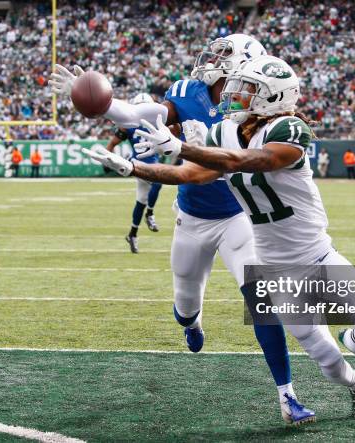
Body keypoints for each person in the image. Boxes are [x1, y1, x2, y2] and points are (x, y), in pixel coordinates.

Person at [84, 55, 355, 420]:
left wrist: (181, 146)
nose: (235, 94)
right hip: (276, 269)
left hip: (318, 255)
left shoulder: (289, 130)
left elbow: (249, 162)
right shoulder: (224, 132)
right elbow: (192, 176)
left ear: (272, 97)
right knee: (324, 360)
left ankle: (354, 342)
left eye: (248, 89)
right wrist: (134, 167)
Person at [50, 36, 315, 424]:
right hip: (191, 216)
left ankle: (287, 395)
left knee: (261, 301)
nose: (214, 60)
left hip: (237, 217)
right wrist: (105, 105)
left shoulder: (259, 110)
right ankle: (192, 323)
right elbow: (140, 114)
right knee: (185, 305)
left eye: (224, 54)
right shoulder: (188, 93)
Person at [106, 93, 162, 253]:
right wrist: (108, 159)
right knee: (158, 183)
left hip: (153, 164)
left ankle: (132, 234)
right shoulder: (128, 125)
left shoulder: (159, 123)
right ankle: (150, 214)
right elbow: (112, 143)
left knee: (141, 201)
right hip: (138, 165)